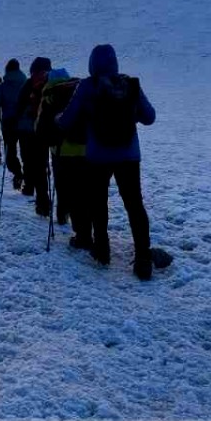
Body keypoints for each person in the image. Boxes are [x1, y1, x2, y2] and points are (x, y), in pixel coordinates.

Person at [56, 44, 156, 280]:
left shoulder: (87, 86)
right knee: (134, 204)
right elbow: (149, 117)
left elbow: (68, 119)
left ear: (92, 64)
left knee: (98, 202)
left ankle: (101, 250)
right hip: (129, 156)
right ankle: (143, 258)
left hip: (97, 157)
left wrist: (57, 118)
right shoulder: (129, 84)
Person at [36, 68, 87, 233]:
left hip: (60, 150)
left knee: (63, 184)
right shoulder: (78, 90)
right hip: (84, 148)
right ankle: (84, 226)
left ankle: (63, 215)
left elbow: (41, 127)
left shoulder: (50, 94)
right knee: (81, 188)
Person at [17, 57, 53, 215]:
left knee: (28, 160)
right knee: (42, 165)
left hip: (27, 129)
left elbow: (19, 104)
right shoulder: (54, 82)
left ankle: (33, 191)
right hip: (46, 130)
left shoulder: (29, 83)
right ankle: (45, 203)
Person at [0, 59, 27, 190]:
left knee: (10, 152)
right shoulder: (27, 84)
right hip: (26, 124)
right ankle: (30, 184)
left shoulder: (3, 86)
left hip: (9, 124)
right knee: (27, 154)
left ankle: (18, 173)